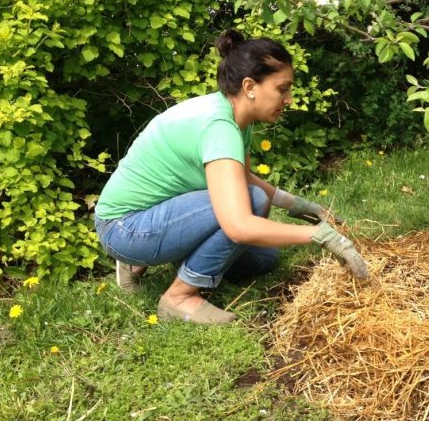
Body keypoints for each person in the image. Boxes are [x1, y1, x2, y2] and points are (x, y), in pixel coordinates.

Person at [93, 29, 368, 325]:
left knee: (265, 259)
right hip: (125, 227)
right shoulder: (219, 127)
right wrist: (321, 236)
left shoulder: (235, 116)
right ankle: (178, 297)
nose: (288, 99)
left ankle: (146, 265)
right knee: (250, 204)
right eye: (282, 89)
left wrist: (299, 206)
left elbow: (243, 177)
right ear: (250, 86)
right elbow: (237, 225)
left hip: (154, 217)